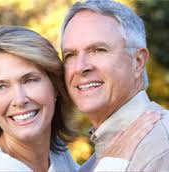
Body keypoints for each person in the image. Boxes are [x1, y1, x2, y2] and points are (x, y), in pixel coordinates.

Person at [0, 25, 160, 172]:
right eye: (0, 87)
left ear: (55, 86)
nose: (19, 99)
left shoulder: (55, 154)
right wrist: (114, 162)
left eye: (30, 80)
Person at [61, 0, 169, 171]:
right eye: (70, 55)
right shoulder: (94, 164)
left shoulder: (161, 150)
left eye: (98, 50)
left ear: (138, 62)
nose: (80, 67)